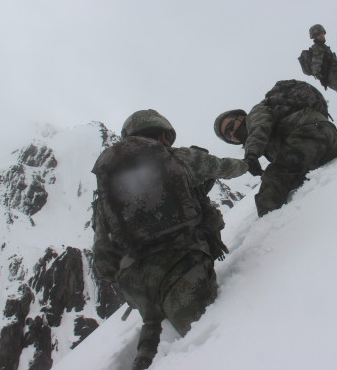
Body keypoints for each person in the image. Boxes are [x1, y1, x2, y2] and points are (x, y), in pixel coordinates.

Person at [91, 109, 248, 370]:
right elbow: (228, 168)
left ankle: (148, 340)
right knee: (207, 345)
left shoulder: (107, 188)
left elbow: (103, 258)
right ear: (164, 133)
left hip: (134, 281)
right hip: (183, 266)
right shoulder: (179, 157)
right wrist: (248, 163)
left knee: (153, 324)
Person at [214, 80, 337, 217]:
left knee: (272, 184)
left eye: (230, 126)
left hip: (311, 133)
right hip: (323, 141)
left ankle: (269, 228)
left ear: (241, 116)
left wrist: (251, 154)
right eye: (227, 136)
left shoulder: (255, 113)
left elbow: (259, 128)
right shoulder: (265, 141)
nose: (232, 133)